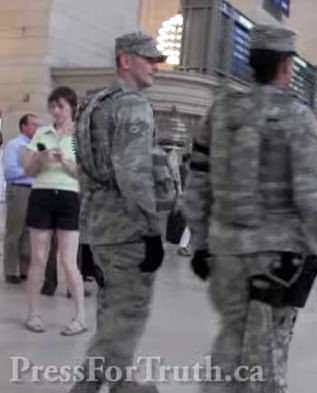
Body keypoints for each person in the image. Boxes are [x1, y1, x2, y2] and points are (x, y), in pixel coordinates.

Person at [183, 25, 317, 393]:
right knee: (265, 355)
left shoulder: (220, 112)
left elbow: (197, 182)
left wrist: (199, 242)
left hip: (226, 254)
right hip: (278, 260)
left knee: (231, 340)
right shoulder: (296, 116)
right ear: (286, 66)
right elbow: (314, 197)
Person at [69, 32, 174, 393]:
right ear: (125, 60)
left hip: (100, 226)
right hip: (126, 229)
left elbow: (84, 171)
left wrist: (85, 235)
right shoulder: (132, 105)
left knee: (113, 313)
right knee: (127, 314)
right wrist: (150, 231)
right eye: (148, 60)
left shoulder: (93, 104)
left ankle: (119, 381)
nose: (155, 68)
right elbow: (133, 172)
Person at [21, 87, 86, 335]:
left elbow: (85, 173)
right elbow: (27, 168)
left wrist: (64, 161)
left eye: (61, 106)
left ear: (72, 108)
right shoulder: (42, 133)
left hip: (69, 196)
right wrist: (41, 157)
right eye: (53, 106)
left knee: (69, 261)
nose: (56, 111)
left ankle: (80, 316)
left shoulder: (79, 137)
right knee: (38, 258)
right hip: (42, 194)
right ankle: (33, 314)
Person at [3, 114, 40, 283]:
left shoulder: (37, 146)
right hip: (19, 190)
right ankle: (11, 271)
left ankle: (24, 270)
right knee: (15, 231)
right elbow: (10, 172)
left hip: (35, 191)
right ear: (23, 126)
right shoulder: (14, 145)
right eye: (33, 125)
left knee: (28, 232)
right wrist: (30, 170)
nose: (36, 128)